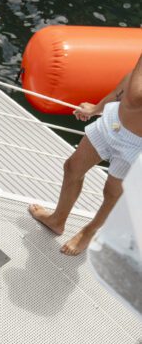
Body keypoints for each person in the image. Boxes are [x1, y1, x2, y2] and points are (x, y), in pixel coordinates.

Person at [29, 52, 142, 255]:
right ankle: (57, 219)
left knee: (112, 193)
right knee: (73, 167)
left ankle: (89, 232)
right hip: (112, 121)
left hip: (135, 145)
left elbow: (135, 98)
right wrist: (97, 109)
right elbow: (127, 84)